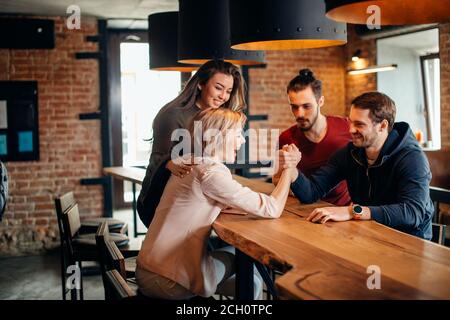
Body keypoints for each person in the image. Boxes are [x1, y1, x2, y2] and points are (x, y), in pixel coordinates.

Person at [136, 108, 299, 299]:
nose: (243, 140)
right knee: (246, 259)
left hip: (151, 268)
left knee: (249, 277)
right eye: (238, 134)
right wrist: (289, 167)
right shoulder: (211, 172)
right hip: (168, 280)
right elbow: (272, 208)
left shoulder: (190, 161)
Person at [282, 92, 434, 240]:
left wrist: (353, 211)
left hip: (409, 243)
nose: (351, 130)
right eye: (350, 122)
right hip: (369, 234)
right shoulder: (350, 153)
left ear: (382, 125)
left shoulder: (412, 159)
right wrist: (291, 168)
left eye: (359, 124)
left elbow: (413, 213)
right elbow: (311, 191)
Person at [137, 60, 246, 227]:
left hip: (188, 200)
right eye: (218, 88)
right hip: (158, 203)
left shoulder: (215, 116)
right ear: (201, 83)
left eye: (228, 91)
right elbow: (158, 160)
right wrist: (169, 162)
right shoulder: (173, 115)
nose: (223, 96)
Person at [273, 69, 352, 206]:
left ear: (320, 101)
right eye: (294, 107)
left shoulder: (347, 128)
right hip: (307, 209)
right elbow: (277, 180)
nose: (300, 114)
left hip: (345, 209)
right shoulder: (286, 138)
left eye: (306, 106)